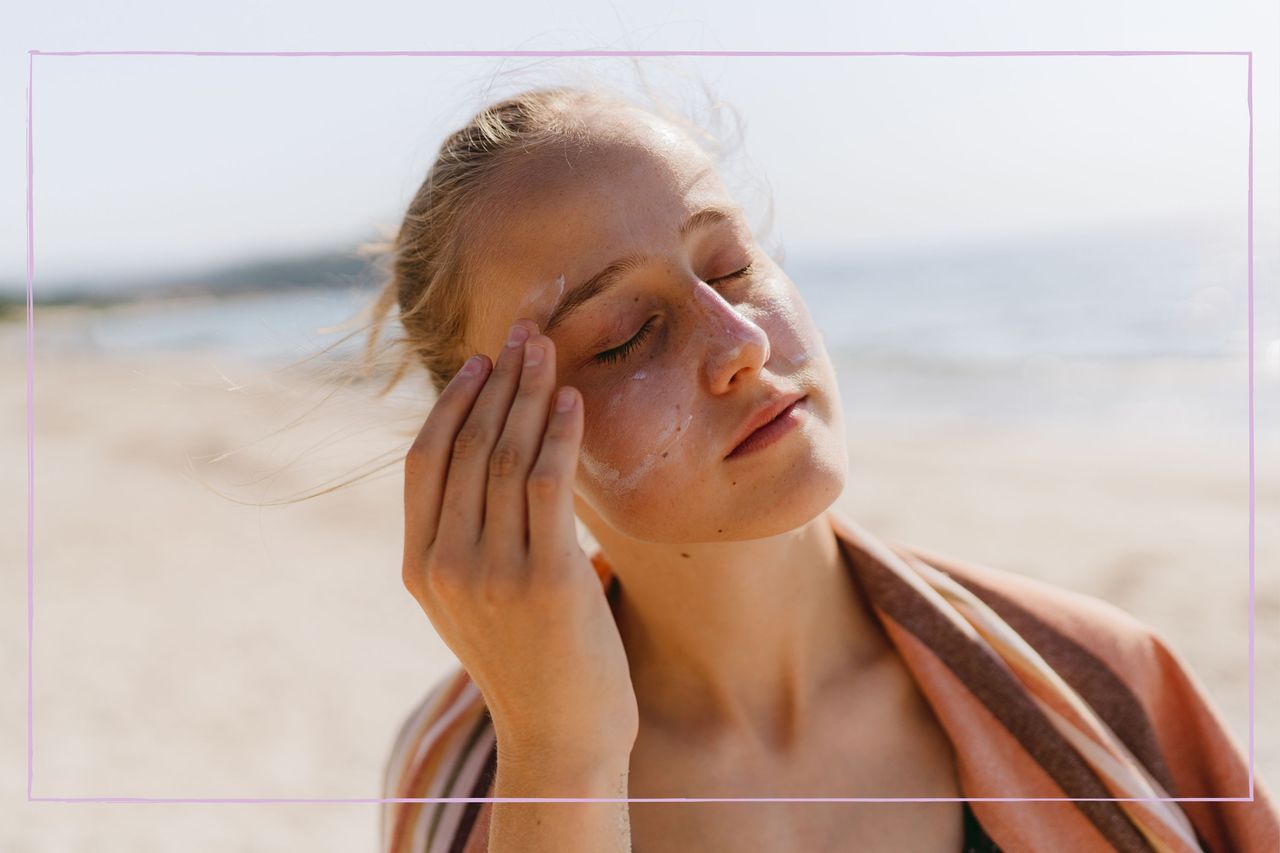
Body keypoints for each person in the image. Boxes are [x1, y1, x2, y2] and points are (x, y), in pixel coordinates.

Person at [369, 82, 1278, 852]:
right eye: (626, 336)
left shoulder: (1097, 682)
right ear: (484, 440)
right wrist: (562, 757)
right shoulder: (467, 780)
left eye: (729, 267)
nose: (742, 341)